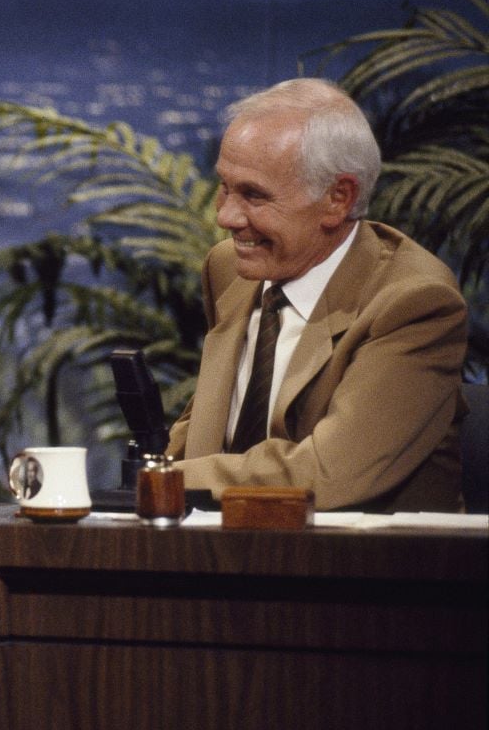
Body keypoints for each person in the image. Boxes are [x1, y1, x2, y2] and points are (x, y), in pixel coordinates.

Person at [167, 78, 468, 512]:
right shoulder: (229, 269)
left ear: (337, 198)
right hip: (220, 552)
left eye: (253, 195)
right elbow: (207, 422)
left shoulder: (414, 301)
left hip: (361, 566)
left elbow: (328, 474)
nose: (227, 216)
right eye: (225, 187)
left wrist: (166, 479)